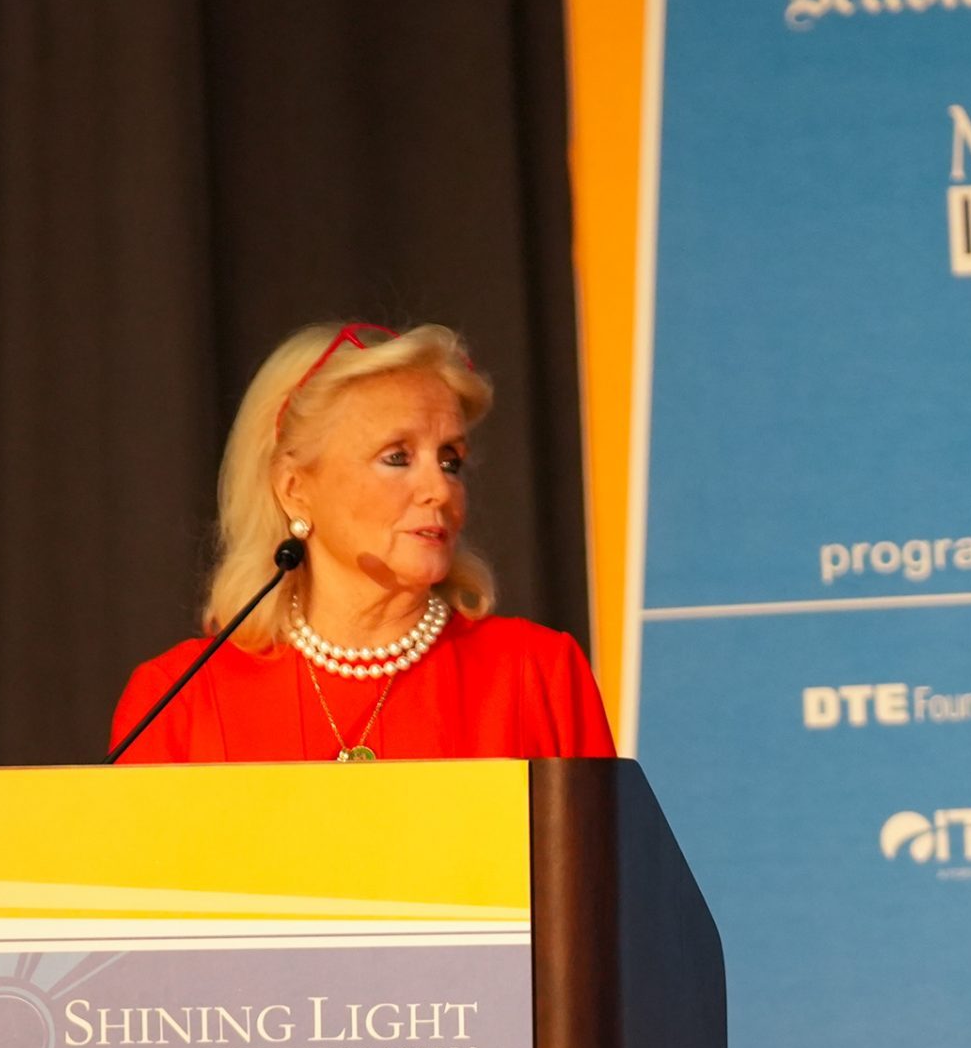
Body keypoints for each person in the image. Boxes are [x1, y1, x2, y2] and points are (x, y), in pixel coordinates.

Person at [110, 321, 615, 763]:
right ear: (295, 488)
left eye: (450, 460)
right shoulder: (180, 701)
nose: (440, 489)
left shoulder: (537, 676)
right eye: (397, 457)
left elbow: (599, 871)